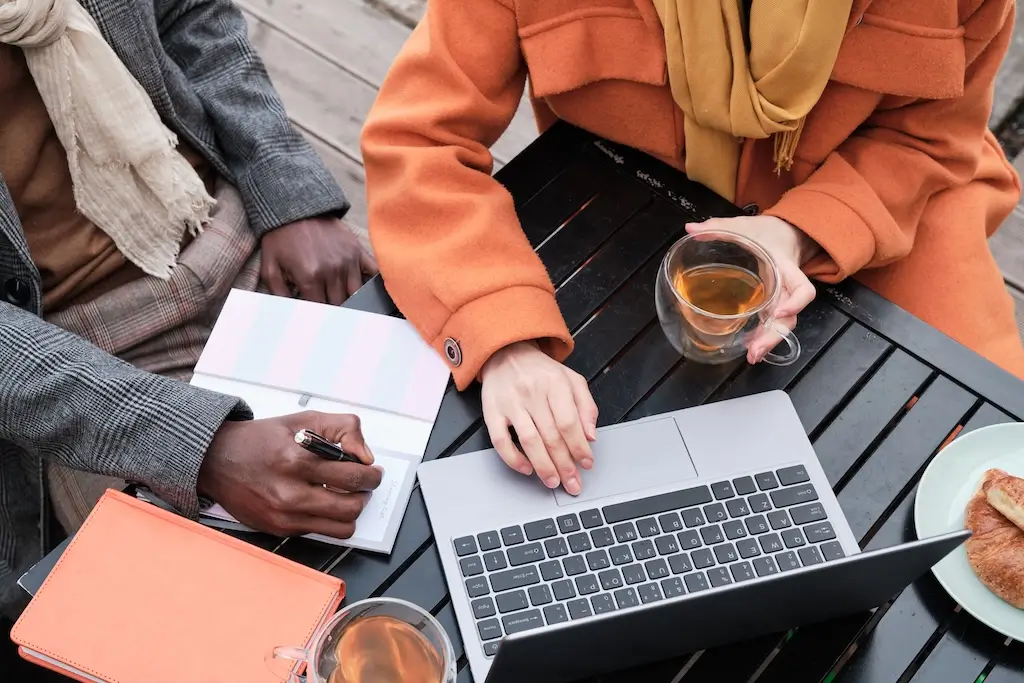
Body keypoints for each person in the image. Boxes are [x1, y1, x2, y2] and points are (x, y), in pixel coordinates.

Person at [362, 0, 1024, 495]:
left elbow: (928, 138)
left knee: (991, 459)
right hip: (624, 202)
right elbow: (420, 141)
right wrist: (503, 339)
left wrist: (796, 230)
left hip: (876, 206)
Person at [0, 0, 380, 617]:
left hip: (232, 229)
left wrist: (284, 189)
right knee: (240, 624)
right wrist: (197, 445)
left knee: (481, 464)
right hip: (77, 362)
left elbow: (190, 16)